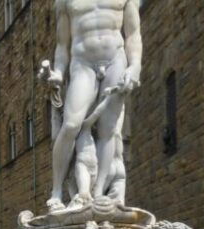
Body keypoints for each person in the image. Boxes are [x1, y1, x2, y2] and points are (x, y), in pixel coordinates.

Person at [46, 0, 141, 208]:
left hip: (116, 59)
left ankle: (97, 193)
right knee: (71, 125)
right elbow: (62, 45)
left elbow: (133, 34)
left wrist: (135, 66)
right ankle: (56, 191)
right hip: (82, 63)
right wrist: (59, 72)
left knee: (109, 130)